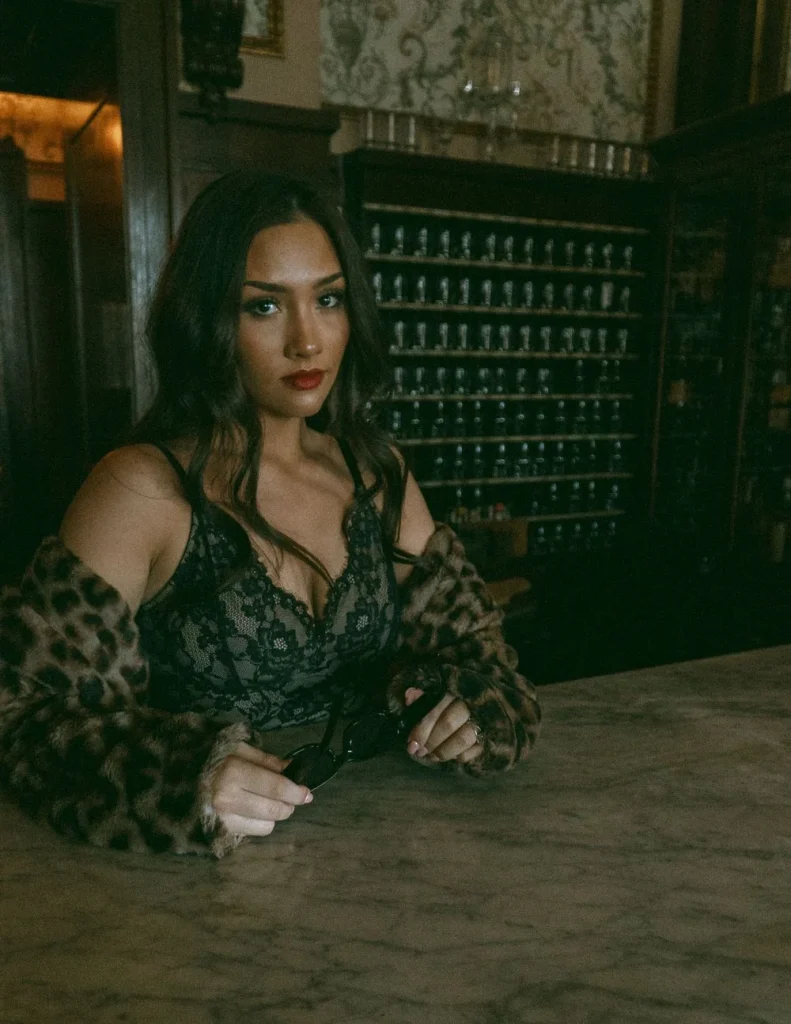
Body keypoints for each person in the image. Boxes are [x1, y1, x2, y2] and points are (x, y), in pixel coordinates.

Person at [0, 171, 540, 857]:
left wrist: (467, 711)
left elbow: (483, 660)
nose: (307, 341)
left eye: (329, 299)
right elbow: (22, 720)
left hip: (392, 845)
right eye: (263, 307)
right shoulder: (143, 488)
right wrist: (185, 777)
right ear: (206, 318)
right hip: (206, 878)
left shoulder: (379, 474)